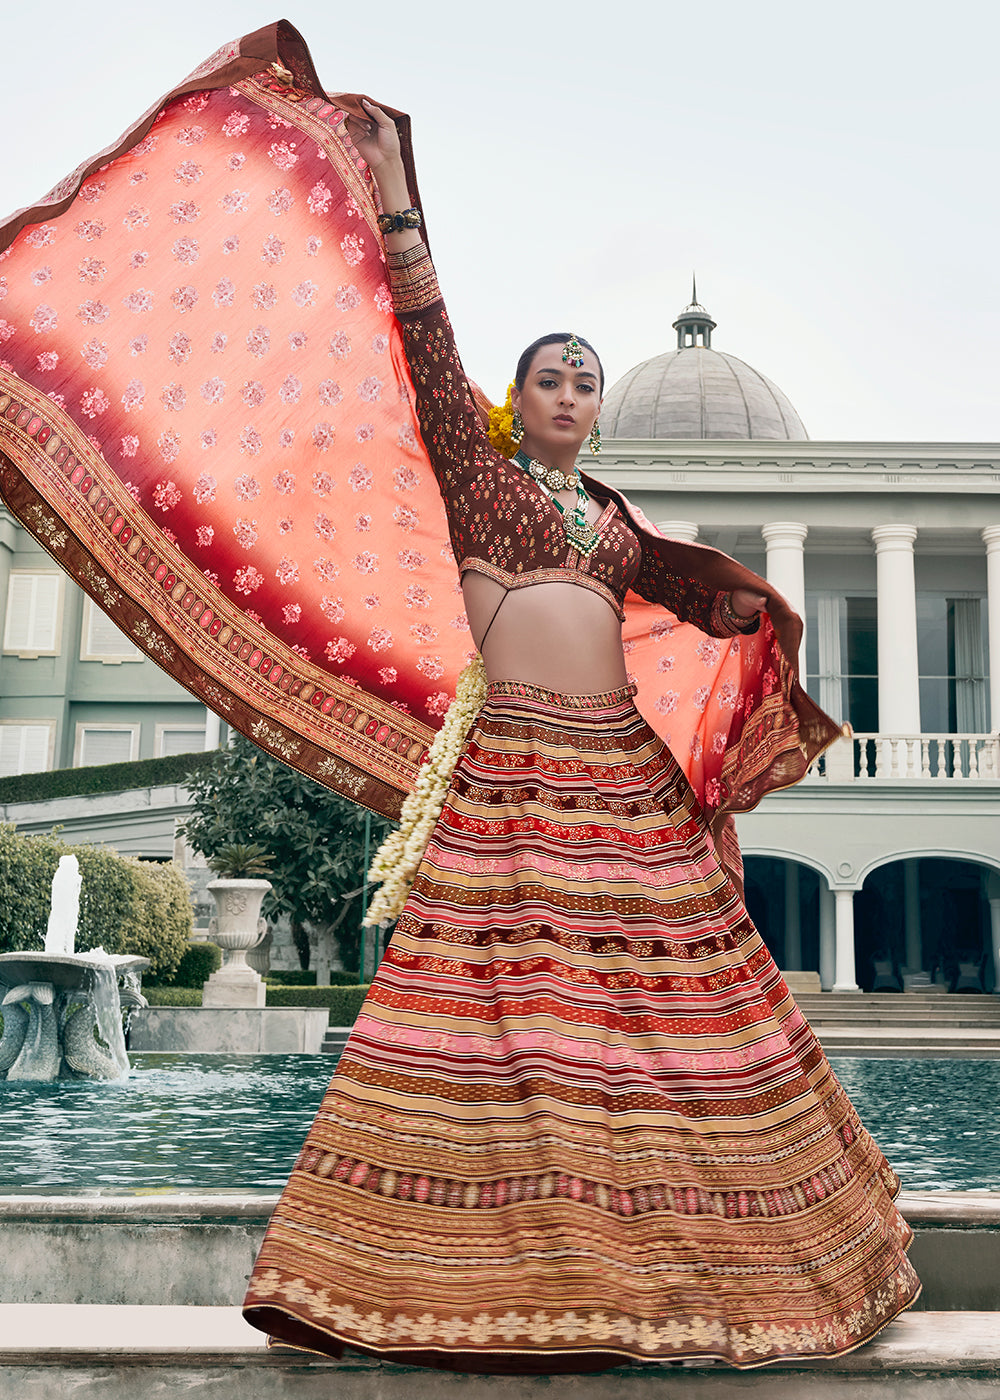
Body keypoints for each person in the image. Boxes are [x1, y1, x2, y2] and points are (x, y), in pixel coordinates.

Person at [242, 100, 920, 1371]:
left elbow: (692, 599)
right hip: (516, 774)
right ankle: (454, 1279)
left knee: (680, 1018)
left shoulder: (612, 518)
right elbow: (425, 335)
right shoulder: (484, 481)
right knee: (500, 1025)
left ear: (600, 409)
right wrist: (394, 188)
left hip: (623, 772)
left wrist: (750, 619)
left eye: (584, 380)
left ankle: (707, 1262)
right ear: (512, 400)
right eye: (549, 375)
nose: (568, 391)